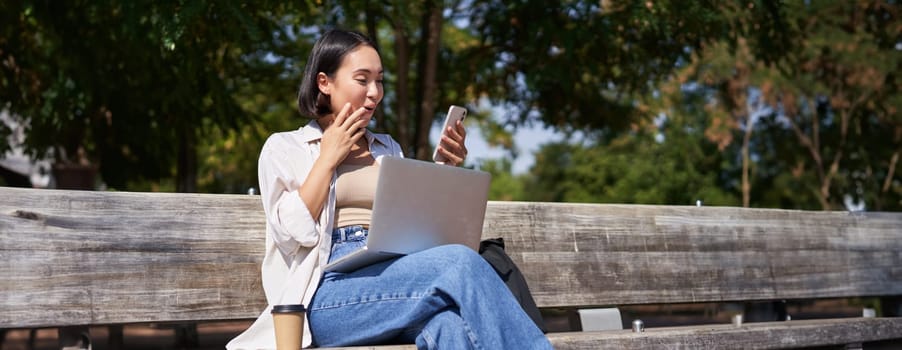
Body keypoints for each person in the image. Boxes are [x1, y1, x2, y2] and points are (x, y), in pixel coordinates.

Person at [226, 28, 552, 349]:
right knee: (460, 262)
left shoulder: (387, 148)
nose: (374, 92)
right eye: (362, 79)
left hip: (393, 275)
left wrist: (444, 173)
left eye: (379, 80)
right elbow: (291, 235)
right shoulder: (285, 147)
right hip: (324, 295)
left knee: (449, 325)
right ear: (324, 82)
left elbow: (415, 229)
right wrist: (327, 159)